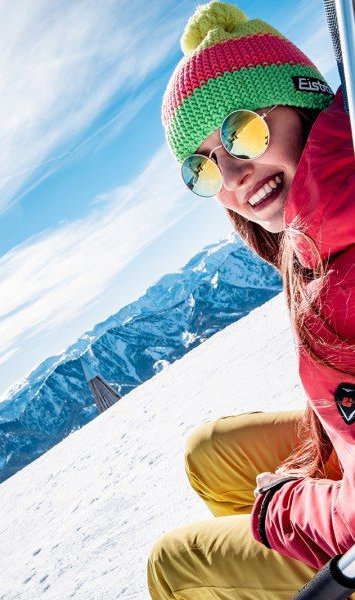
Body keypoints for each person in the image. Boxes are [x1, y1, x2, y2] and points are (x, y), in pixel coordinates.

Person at [147, 1, 355, 598]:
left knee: (174, 564)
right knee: (208, 453)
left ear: (304, 98)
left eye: (243, 131)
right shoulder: (319, 225)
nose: (233, 174)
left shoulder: (339, 261)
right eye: (204, 168)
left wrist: (282, 509)